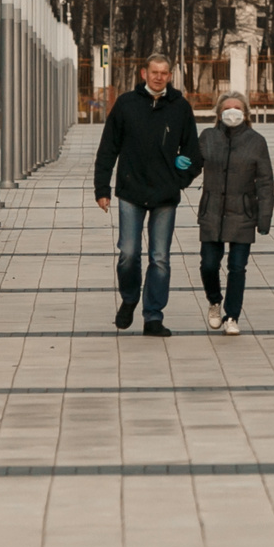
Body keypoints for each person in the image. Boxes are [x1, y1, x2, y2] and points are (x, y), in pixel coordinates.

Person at [94, 54, 202, 337]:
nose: (159, 77)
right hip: (131, 191)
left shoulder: (179, 107)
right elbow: (108, 148)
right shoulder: (127, 104)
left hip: (165, 195)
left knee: (160, 258)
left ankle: (153, 316)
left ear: (170, 75)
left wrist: (179, 180)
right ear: (144, 73)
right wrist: (102, 189)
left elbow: (194, 153)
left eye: (164, 73)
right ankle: (130, 298)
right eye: (154, 72)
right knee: (128, 253)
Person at [195, 90, 273, 334]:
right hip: (212, 210)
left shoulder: (256, 141)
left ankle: (232, 315)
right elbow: (191, 164)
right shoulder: (207, 137)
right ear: (218, 113)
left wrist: (264, 217)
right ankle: (214, 300)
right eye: (227, 108)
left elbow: (265, 181)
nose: (232, 112)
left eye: (237, 108)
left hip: (243, 212)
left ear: (245, 113)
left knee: (237, 267)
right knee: (208, 265)